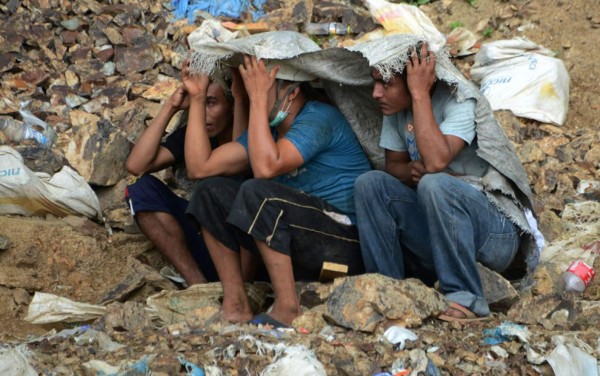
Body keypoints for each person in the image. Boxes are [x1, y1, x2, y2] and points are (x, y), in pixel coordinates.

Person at [354, 39, 542, 321]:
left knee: (435, 182)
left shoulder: (457, 98)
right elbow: (394, 166)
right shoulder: (395, 110)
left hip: (493, 235)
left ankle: (466, 299)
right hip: (440, 236)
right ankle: (388, 292)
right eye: (375, 83)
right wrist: (413, 170)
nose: (376, 93)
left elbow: (436, 162)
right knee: (370, 184)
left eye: (386, 84)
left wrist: (419, 95)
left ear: (419, 80)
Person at [183, 55, 372, 328]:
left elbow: (266, 168)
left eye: (260, 87)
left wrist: (258, 101)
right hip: (302, 240)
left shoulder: (319, 118)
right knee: (210, 191)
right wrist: (198, 97)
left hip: (343, 242)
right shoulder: (267, 133)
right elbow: (199, 167)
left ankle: (287, 307)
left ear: (292, 92)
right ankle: (236, 303)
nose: (251, 95)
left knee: (257, 191)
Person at [125, 71, 238, 286]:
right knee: (140, 189)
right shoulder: (196, 134)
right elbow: (136, 166)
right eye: (199, 104)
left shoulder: (248, 140)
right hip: (206, 244)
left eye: (211, 103)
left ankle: (241, 287)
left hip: (245, 249)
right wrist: (171, 106)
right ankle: (198, 285)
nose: (202, 114)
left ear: (232, 105)